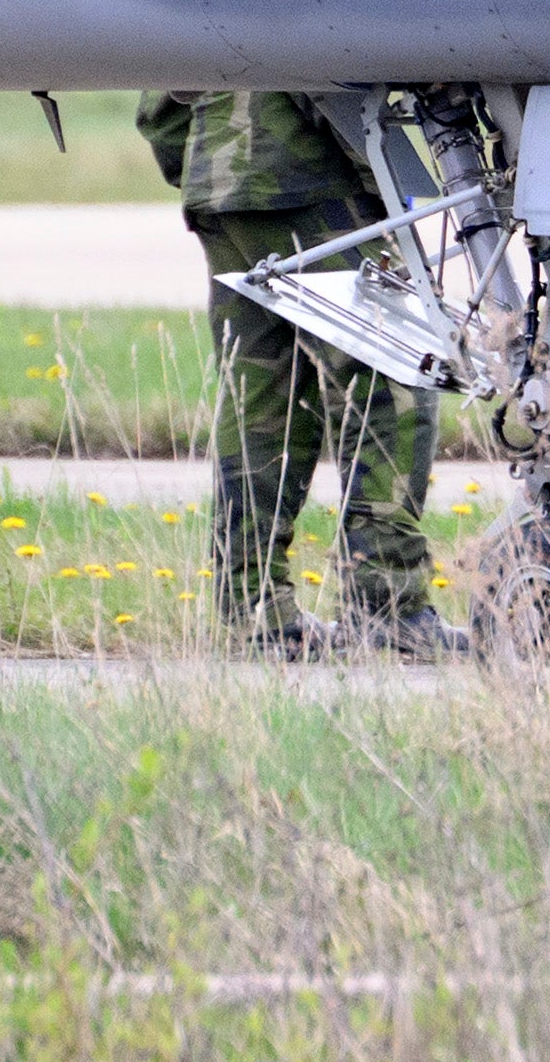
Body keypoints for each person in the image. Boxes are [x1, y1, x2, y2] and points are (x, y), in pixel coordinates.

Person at [141, 85, 444, 653]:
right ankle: (386, 603)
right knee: (396, 375)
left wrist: (212, 165)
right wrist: (378, 174)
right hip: (315, 182)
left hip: (220, 192)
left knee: (262, 400)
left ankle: (252, 608)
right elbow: (334, 55)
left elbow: (158, 106)